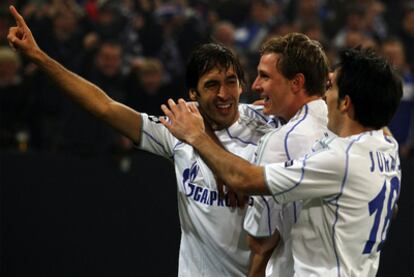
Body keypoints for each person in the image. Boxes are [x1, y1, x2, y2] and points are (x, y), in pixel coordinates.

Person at [7, 6, 278, 276]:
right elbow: (104, 106)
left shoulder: (269, 125)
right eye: (211, 84)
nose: (223, 93)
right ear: (193, 92)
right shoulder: (177, 130)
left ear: (242, 85)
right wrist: (39, 57)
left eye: (231, 82)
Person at [160, 46, 403, 277]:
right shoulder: (387, 147)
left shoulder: (340, 159)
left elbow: (243, 180)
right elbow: (392, 209)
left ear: (346, 103)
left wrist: (196, 136)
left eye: (331, 87)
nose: (324, 94)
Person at [235, 33, 332, 276]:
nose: (256, 85)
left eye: (265, 76)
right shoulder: (348, 130)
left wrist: (199, 139)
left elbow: (260, 240)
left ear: (297, 82)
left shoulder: (281, 141)